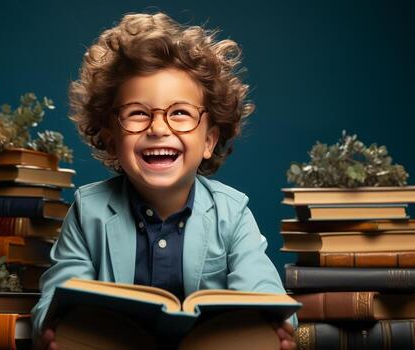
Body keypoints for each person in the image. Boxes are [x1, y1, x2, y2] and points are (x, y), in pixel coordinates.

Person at [32, 12, 297, 350]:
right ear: (112, 139)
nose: (158, 129)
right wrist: (55, 326)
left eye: (180, 113)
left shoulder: (232, 214)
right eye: (138, 113)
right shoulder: (89, 212)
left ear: (209, 141)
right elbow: (58, 291)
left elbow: (264, 291)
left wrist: (277, 326)